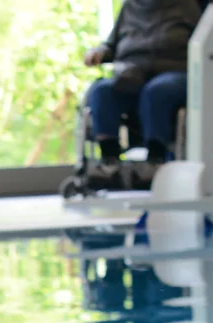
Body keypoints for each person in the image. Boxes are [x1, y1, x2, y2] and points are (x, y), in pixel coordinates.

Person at [82, 0, 202, 189]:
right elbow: (111, 44)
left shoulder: (187, 5)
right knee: (102, 91)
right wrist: (99, 52)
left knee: (155, 91)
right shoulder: (131, 6)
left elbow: (203, 43)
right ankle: (109, 161)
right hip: (132, 72)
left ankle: (155, 160)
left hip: (174, 71)